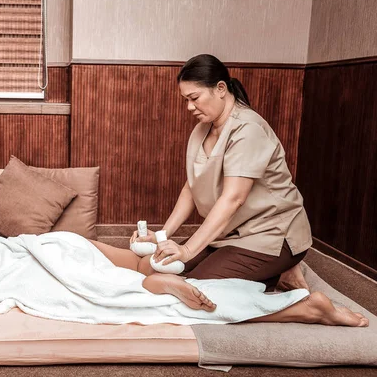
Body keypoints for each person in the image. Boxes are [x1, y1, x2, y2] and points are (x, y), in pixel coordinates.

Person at [0, 238, 368, 334]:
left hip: (41, 269)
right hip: (50, 248)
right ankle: (300, 306)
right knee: (136, 288)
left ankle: (309, 308)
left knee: (157, 309)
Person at [132, 54, 312, 291]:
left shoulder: (248, 129)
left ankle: (284, 272)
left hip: (271, 235)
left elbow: (233, 198)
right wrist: (162, 236)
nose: (189, 107)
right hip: (229, 233)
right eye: (185, 99)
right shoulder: (201, 130)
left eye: (194, 98)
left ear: (220, 88)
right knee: (162, 267)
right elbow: (191, 187)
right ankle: (275, 275)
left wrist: (187, 250)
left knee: (196, 287)